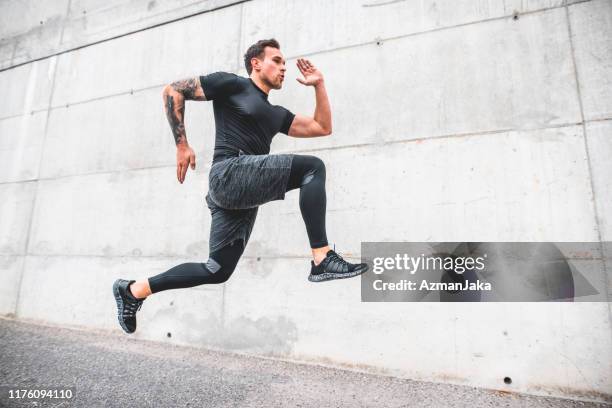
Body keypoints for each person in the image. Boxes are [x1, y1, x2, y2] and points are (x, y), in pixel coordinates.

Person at [113, 38, 368, 334]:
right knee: (313, 168)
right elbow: (173, 90)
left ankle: (133, 291)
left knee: (217, 270)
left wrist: (318, 85)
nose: (283, 68)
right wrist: (182, 144)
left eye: (285, 64)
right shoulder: (232, 84)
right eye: (277, 60)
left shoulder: (276, 115)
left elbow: (322, 127)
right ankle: (322, 257)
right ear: (256, 63)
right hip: (229, 173)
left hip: (239, 194)